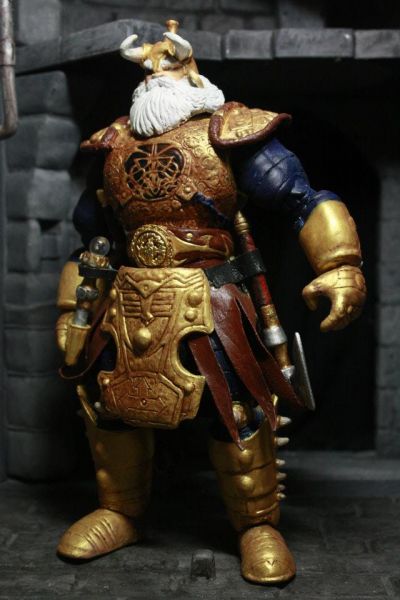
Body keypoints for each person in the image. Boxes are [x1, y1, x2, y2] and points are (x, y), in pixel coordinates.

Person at [55, 20, 366, 584]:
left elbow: (300, 199)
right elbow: (91, 237)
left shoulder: (229, 131)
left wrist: (339, 264)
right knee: (108, 403)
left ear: (192, 70)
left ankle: (256, 525)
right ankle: (120, 511)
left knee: (237, 411)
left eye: (168, 63)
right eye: (148, 68)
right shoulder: (115, 143)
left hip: (212, 299)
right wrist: (69, 309)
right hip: (128, 298)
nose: (155, 75)